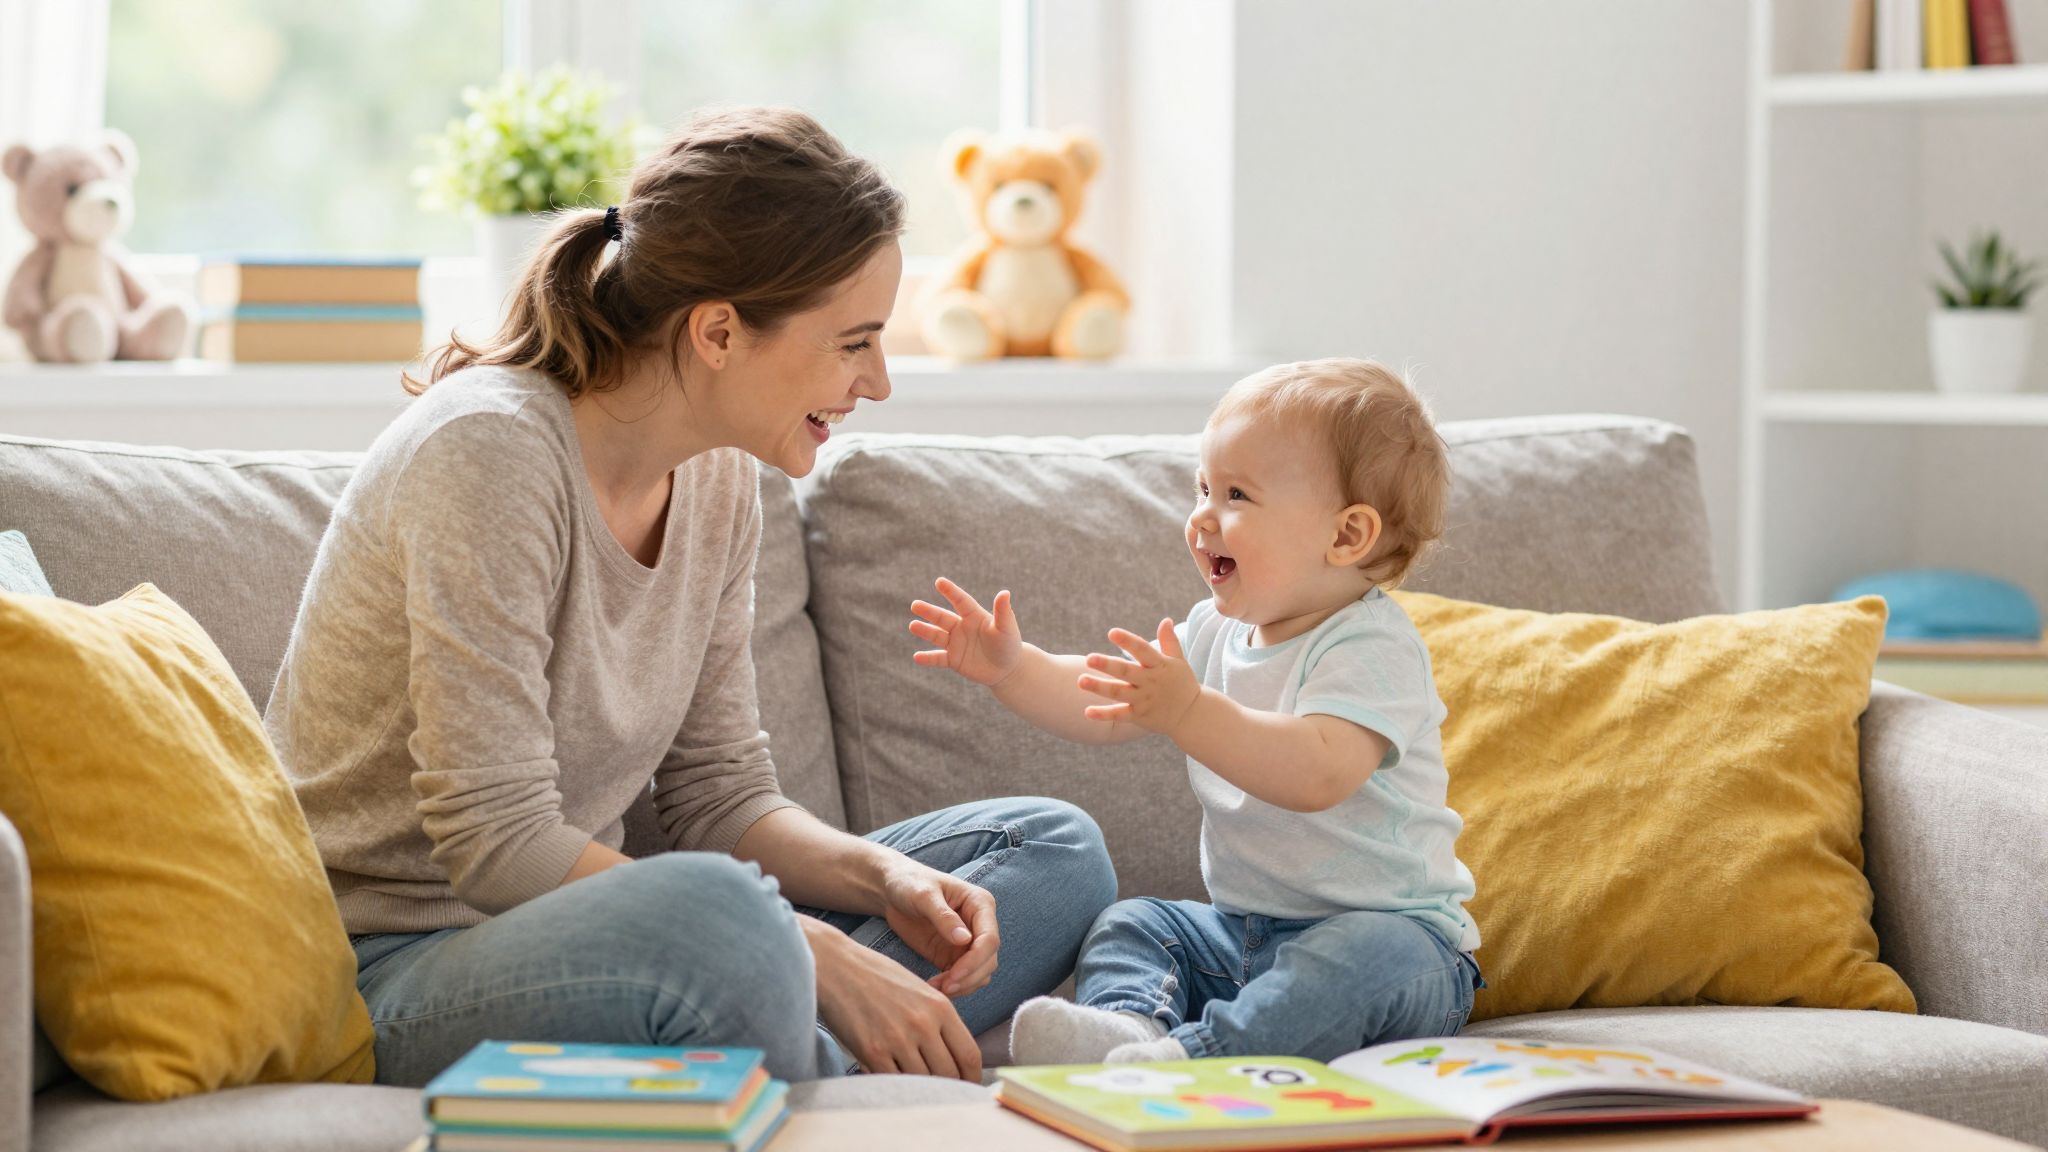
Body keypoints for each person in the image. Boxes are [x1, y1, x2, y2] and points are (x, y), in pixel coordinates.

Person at [265, 107, 1116, 1087]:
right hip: (396, 966)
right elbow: (494, 845)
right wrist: (803, 947)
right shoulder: (488, 455)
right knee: (727, 922)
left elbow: (719, 796)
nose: (877, 382)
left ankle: (796, 1049)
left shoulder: (720, 476)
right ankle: (803, 1037)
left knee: (1048, 848)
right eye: (853, 343)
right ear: (717, 331)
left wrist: (879, 879)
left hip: (610, 945)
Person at [911, 358, 1482, 1065]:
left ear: (1345, 537)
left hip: (1403, 947)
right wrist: (1015, 667)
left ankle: (1195, 1058)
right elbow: (1106, 699)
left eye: (1237, 494)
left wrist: (1189, 712)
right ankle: (1125, 1033)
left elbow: (1317, 773)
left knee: (1364, 952)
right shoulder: (1213, 633)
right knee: (1136, 922)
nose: (1202, 515)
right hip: (1241, 938)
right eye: (1203, 486)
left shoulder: (1370, 644)